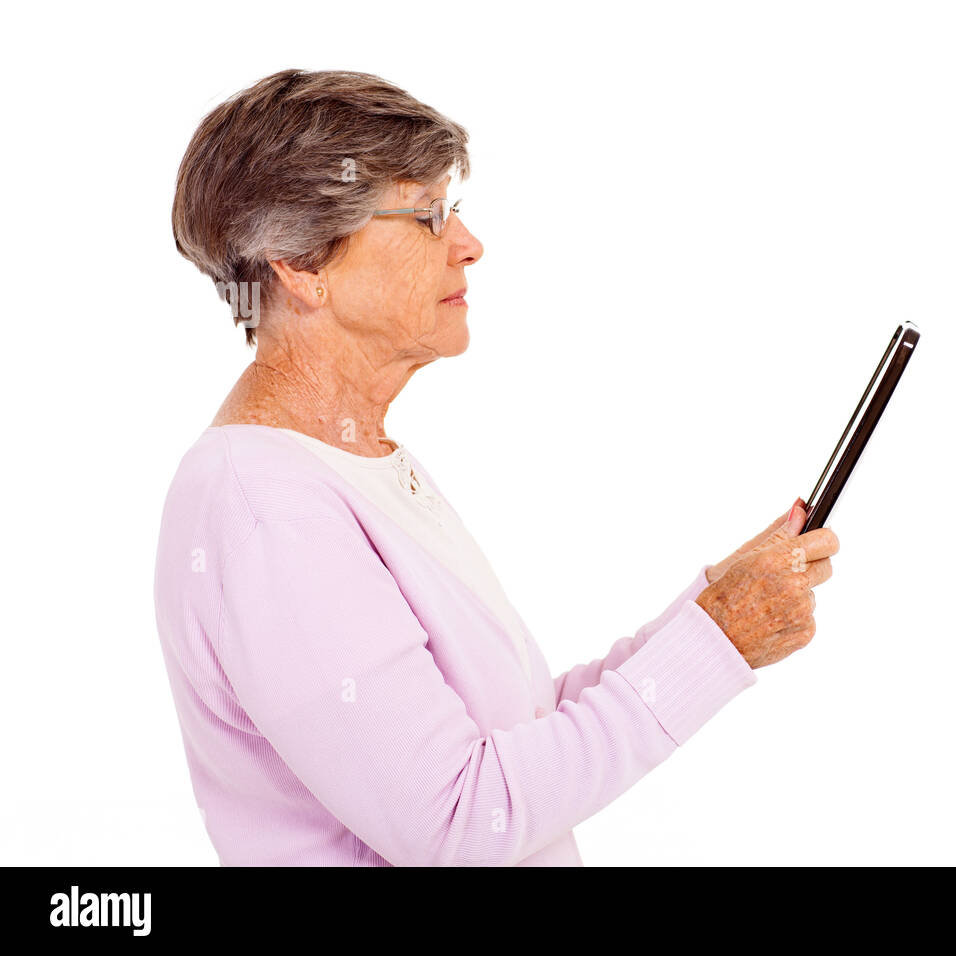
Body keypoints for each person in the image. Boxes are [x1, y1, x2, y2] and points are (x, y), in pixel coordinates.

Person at [155, 68, 839, 866]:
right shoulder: (263, 506)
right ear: (302, 264)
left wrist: (714, 613)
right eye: (426, 216)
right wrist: (719, 640)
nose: (468, 244)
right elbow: (459, 819)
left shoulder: (350, 462)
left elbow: (514, 736)